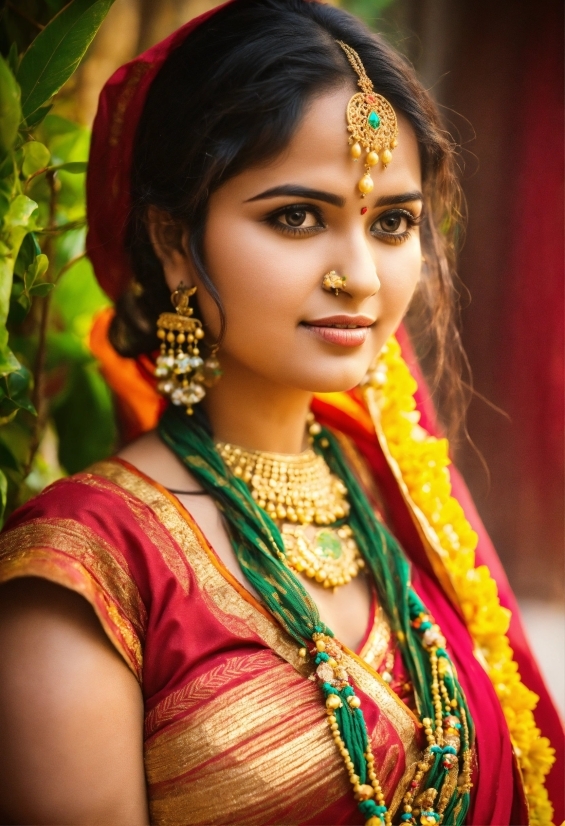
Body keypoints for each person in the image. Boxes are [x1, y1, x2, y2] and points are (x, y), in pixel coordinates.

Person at [0, 1, 562, 824]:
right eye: (296, 217)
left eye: (392, 221)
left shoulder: (385, 500)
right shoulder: (88, 570)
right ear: (169, 239)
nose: (361, 277)